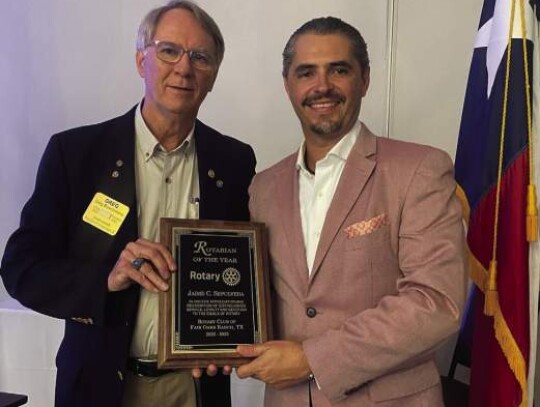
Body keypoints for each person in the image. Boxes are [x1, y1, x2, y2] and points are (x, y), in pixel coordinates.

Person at [0, 1, 255, 407]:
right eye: (169, 50)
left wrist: (228, 337)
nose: (184, 68)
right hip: (101, 387)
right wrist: (106, 278)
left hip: (194, 390)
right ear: (142, 60)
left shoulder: (234, 161)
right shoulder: (76, 154)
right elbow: (20, 269)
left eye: (200, 57)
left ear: (213, 75)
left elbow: (241, 273)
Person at [234, 17, 466, 406]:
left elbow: (435, 302)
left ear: (365, 79)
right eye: (306, 72)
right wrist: (207, 342)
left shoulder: (420, 169)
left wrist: (312, 358)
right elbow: (256, 298)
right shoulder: (264, 188)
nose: (321, 86)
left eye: (338, 70)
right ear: (288, 85)